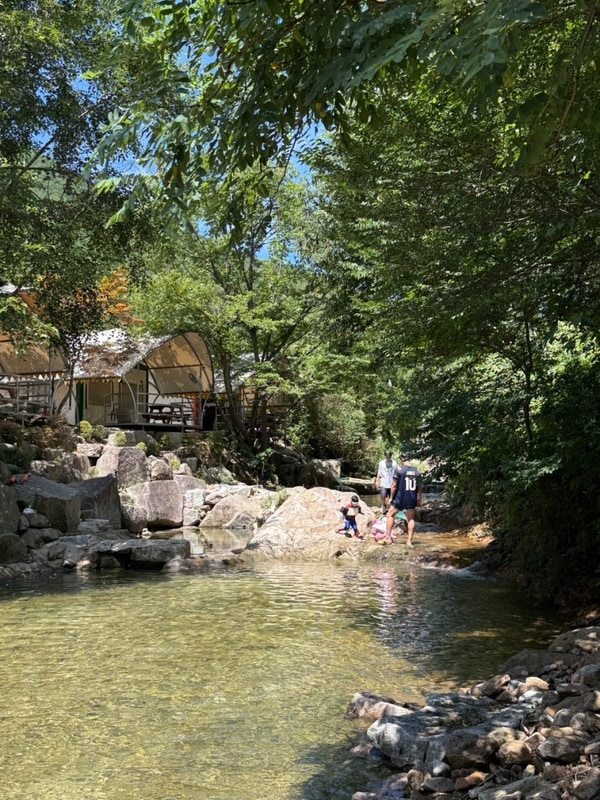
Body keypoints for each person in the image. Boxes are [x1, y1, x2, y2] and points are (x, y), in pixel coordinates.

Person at [385, 454, 422, 547]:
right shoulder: (417, 472)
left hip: (400, 497)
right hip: (412, 498)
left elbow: (393, 486)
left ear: (402, 460)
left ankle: (388, 538)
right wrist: (419, 499)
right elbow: (420, 487)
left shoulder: (399, 470)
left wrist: (390, 498)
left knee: (390, 515)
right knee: (411, 519)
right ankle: (409, 541)